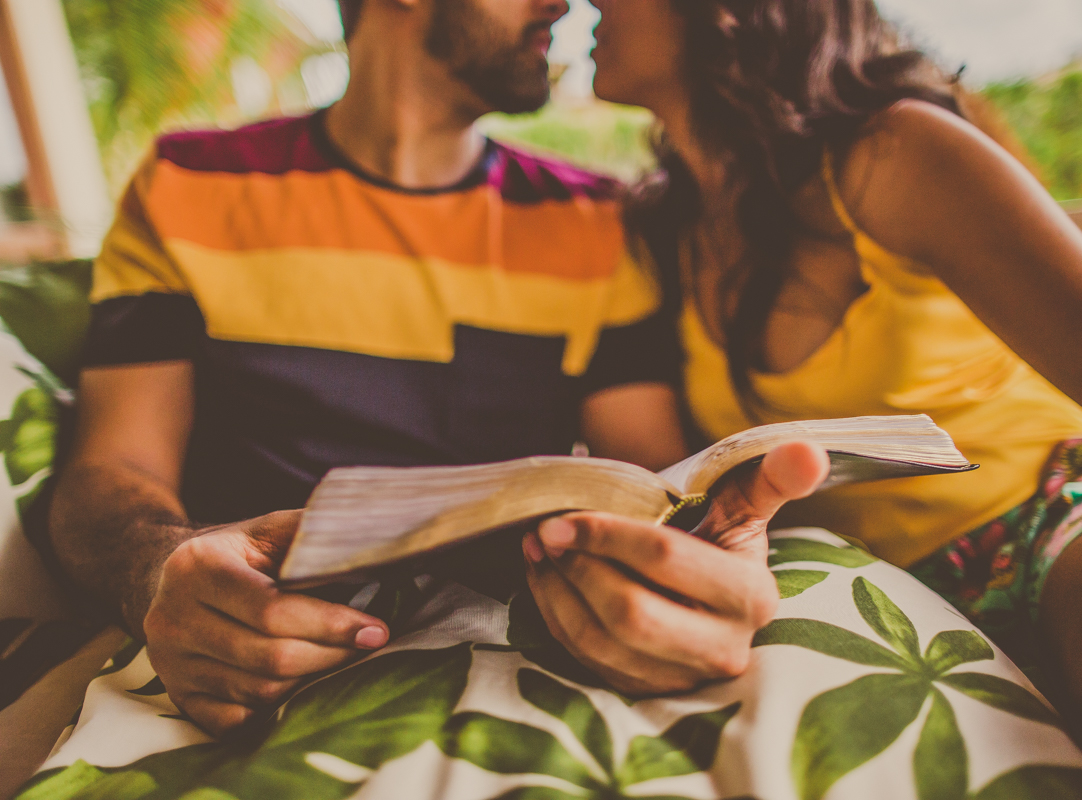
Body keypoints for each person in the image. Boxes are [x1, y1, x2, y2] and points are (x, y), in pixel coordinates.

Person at [47, 0, 829, 737]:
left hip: (514, 662)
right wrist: (161, 574)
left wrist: (700, 556)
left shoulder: (594, 220)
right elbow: (112, 466)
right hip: (261, 668)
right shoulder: (186, 185)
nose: (564, 4)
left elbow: (649, 475)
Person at [585, 0, 1082, 785]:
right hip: (871, 584)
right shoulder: (656, 233)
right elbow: (663, 489)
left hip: (1058, 511)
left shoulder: (896, 152)